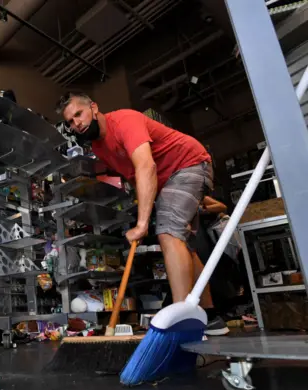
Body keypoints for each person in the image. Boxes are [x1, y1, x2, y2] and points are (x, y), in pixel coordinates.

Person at [57, 92, 227, 335]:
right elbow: (135, 177)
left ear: (94, 108)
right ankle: (210, 317)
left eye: (79, 114)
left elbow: (146, 166)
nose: (77, 124)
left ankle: (180, 320)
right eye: (71, 122)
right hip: (166, 181)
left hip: (188, 163)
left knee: (169, 233)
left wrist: (142, 223)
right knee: (184, 243)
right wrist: (147, 206)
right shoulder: (99, 146)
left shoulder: (125, 121)